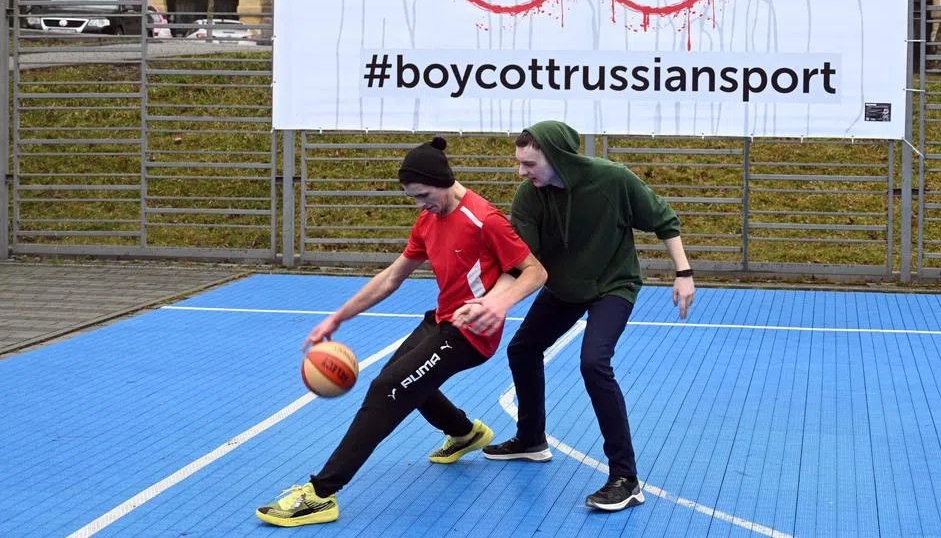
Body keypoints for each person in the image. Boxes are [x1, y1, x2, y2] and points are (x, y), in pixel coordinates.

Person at [256, 136, 546, 528]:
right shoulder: (429, 219)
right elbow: (393, 276)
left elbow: (535, 271)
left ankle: (321, 494)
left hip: (471, 333)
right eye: (413, 197)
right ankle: (464, 433)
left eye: (423, 194)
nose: (419, 203)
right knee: (398, 380)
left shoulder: (484, 220)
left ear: (444, 181)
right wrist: (338, 317)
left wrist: (499, 304)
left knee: (388, 389)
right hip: (442, 318)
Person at [458, 120, 696, 512]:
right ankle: (531, 439)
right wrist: (491, 300)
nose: (521, 172)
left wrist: (683, 273)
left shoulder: (613, 180)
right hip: (563, 288)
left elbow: (664, 220)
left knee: (593, 363)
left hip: (612, 285)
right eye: (519, 163)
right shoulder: (530, 196)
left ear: (559, 158)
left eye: (530, 164)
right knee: (522, 349)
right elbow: (522, 264)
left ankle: (626, 477)